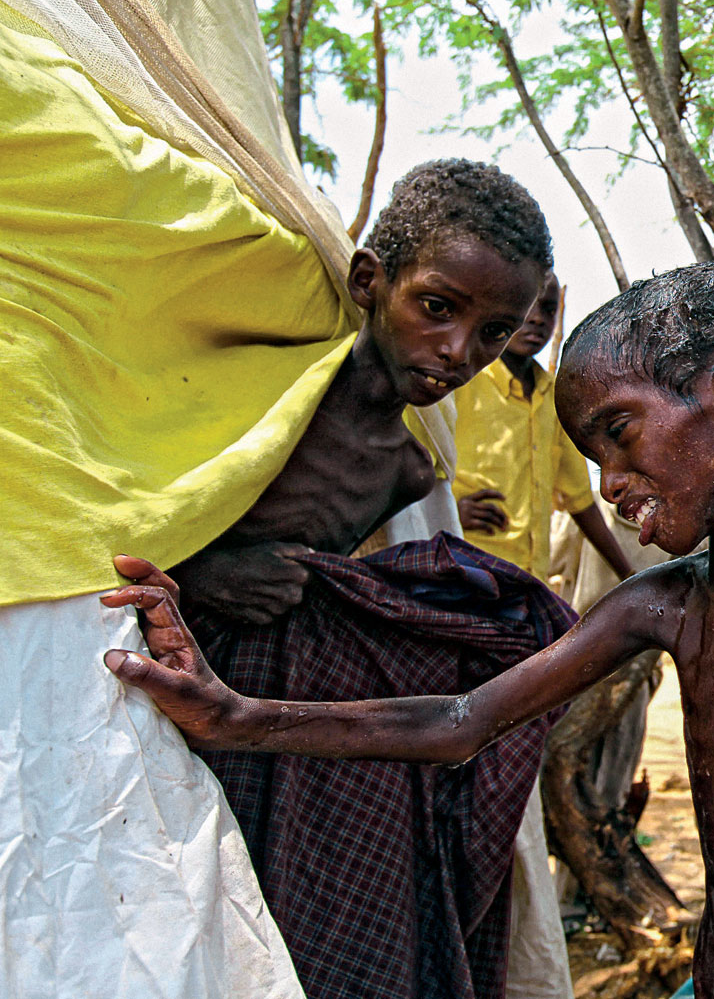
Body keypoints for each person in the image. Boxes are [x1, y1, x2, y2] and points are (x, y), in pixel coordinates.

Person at [103, 262, 714, 999]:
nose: (609, 485)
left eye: (620, 436)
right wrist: (241, 717)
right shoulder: (663, 606)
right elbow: (461, 718)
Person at [162, 159, 576, 999]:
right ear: (368, 281)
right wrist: (205, 573)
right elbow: (128, 526)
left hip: (278, 711)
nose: (459, 350)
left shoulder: (405, 471)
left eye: (494, 331)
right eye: (436, 307)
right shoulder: (262, 393)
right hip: (173, 693)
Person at [452, 269, 635, 586]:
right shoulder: (463, 381)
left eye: (548, 309)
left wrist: (628, 575)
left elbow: (581, 503)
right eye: (527, 308)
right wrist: (450, 512)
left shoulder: (554, 397)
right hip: (461, 570)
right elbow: (412, 464)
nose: (537, 319)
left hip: (526, 582)